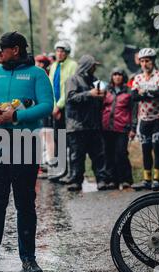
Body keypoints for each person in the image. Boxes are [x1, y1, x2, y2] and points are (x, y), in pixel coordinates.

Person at [0, 31, 54, 272]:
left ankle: (28, 259)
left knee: (25, 204)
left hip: (25, 142)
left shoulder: (37, 74)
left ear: (15, 50)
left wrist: (17, 115)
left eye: (1, 49)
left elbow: (46, 106)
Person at [63, 54, 109, 191]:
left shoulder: (96, 81)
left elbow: (100, 102)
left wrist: (101, 97)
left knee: (98, 154)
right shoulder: (73, 80)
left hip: (93, 125)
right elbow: (70, 98)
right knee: (77, 155)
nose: (95, 68)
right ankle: (76, 181)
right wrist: (90, 94)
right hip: (76, 125)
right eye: (93, 65)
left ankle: (101, 180)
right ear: (86, 66)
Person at [131, 48, 159, 191]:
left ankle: (156, 180)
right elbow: (134, 96)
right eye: (142, 61)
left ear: (153, 61)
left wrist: (144, 92)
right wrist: (149, 94)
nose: (144, 64)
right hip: (144, 118)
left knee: (157, 147)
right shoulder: (138, 78)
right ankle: (147, 179)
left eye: (147, 60)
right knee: (146, 148)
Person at [48, 41, 78, 180]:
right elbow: (51, 87)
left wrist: (59, 106)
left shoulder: (73, 65)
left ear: (67, 53)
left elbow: (69, 88)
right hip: (55, 108)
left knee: (70, 140)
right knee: (58, 138)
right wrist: (53, 106)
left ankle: (72, 172)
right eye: (57, 51)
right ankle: (61, 170)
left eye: (62, 51)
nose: (59, 54)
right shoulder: (54, 66)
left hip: (68, 107)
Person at [102, 68, 134, 189]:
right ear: (112, 77)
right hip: (107, 127)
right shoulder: (106, 91)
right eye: (115, 74)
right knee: (108, 154)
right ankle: (112, 180)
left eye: (120, 74)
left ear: (123, 77)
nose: (117, 77)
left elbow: (133, 111)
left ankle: (126, 179)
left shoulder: (128, 92)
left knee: (121, 153)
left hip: (122, 127)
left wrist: (133, 128)